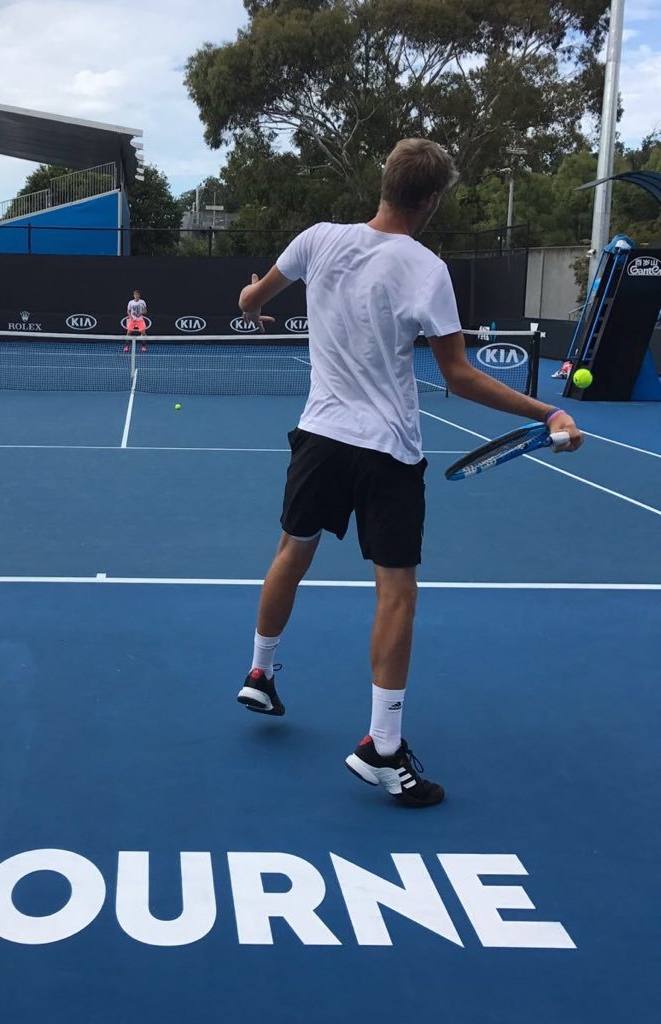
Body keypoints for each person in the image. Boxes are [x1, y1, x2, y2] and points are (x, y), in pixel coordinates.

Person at [235, 138, 583, 808]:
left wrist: (251, 298)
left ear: (385, 182)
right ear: (429, 199)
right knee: (396, 593)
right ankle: (383, 748)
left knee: (291, 553)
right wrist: (547, 411)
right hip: (386, 451)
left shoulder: (317, 240)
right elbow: (459, 376)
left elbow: (254, 298)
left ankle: (260, 670)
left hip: (319, 437)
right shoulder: (426, 269)